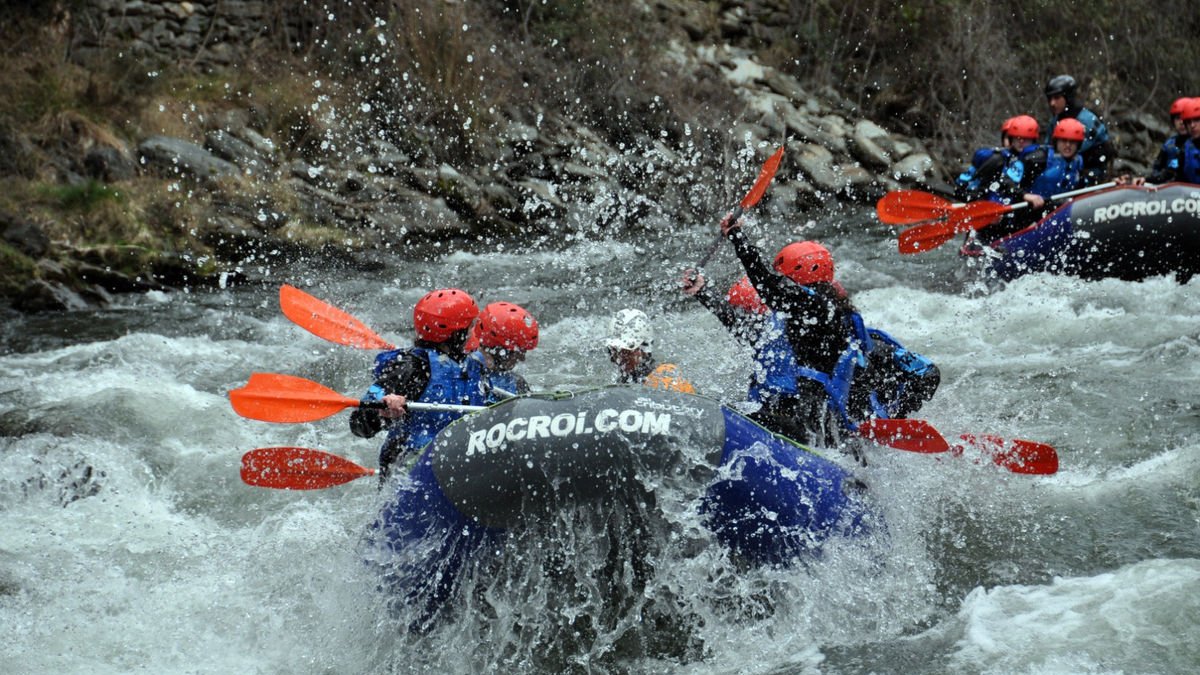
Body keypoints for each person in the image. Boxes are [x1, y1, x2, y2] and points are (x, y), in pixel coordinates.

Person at [712, 228, 939, 448]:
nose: (783, 284)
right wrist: (703, 292)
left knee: (745, 415)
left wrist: (737, 237)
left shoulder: (817, 309)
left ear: (797, 276)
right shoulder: (821, 310)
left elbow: (768, 288)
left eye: (786, 278)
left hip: (818, 421)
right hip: (813, 415)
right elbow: (745, 329)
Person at [349, 288, 488, 479]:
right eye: (471, 327)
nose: (475, 332)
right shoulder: (411, 368)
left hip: (461, 460)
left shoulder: (473, 365)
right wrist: (382, 411)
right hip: (413, 467)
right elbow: (358, 423)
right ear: (455, 334)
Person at [974, 118, 1086, 245]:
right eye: (1064, 141)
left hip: (1052, 210)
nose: (1068, 145)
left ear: (1079, 144)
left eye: (1072, 142)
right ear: (1056, 141)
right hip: (1025, 210)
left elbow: (1082, 189)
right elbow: (1005, 180)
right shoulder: (1038, 158)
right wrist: (1026, 195)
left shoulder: (1078, 163)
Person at [1043, 74, 1113, 185]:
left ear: (1068, 97)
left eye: (1057, 98)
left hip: (1092, 174)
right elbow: (1049, 148)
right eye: (1050, 99)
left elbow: (1071, 154)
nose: (1052, 103)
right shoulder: (1055, 120)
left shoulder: (1087, 120)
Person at [605, 308, 696, 393]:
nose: (620, 357)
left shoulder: (666, 377)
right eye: (615, 350)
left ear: (644, 349)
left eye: (627, 351)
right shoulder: (620, 384)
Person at [954, 115, 1039, 205]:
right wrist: (1024, 195)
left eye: (1026, 138)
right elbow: (1003, 181)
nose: (1021, 142)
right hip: (984, 200)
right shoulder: (997, 158)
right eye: (1017, 138)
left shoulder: (1028, 159)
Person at [470, 301, 538, 399]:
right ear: (497, 348)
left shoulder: (517, 383)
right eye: (517, 353)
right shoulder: (460, 374)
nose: (522, 359)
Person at [1145, 97, 1193, 184]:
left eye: (1185, 118)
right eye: (1178, 118)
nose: (1181, 122)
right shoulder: (1169, 145)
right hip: (1174, 192)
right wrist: (1146, 179)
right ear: (1173, 121)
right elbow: (1156, 170)